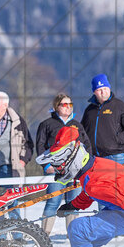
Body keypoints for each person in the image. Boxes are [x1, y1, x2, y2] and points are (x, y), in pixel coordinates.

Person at [35, 93, 92, 234]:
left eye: (70, 105)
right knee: (53, 201)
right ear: (56, 106)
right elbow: (40, 146)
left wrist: (86, 167)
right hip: (55, 171)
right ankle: (44, 234)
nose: (68, 107)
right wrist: (46, 166)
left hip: (75, 172)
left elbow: (87, 146)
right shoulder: (47, 124)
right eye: (64, 104)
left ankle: (73, 234)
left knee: (73, 203)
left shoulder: (77, 125)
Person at [80, 73, 124, 164]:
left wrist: (117, 140)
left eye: (105, 88)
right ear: (94, 92)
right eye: (99, 90)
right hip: (94, 158)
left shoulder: (120, 106)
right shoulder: (89, 110)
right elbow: (82, 131)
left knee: (118, 179)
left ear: (109, 88)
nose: (103, 92)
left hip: (116, 156)